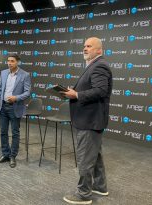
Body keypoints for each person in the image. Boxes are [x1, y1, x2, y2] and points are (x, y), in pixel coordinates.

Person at [62, 37, 112, 205]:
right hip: (90, 119)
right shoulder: (93, 65)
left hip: (90, 120)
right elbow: (93, 88)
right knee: (95, 155)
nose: (85, 48)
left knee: (85, 157)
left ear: (99, 50)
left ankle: (83, 195)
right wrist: (75, 91)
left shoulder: (100, 65)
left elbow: (100, 90)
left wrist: (76, 95)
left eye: (89, 46)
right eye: (84, 46)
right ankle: (100, 186)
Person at [0, 54, 31, 168]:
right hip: (3, 107)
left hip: (15, 107)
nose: (9, 63)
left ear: (18, 62)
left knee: (15, 133)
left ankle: (13, 156)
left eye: (12, 61)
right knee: (3, 132)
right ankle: (5, 154)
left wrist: (16, 98)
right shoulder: (3, 73)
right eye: (8, 61)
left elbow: (27, 92)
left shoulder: (25, 75)